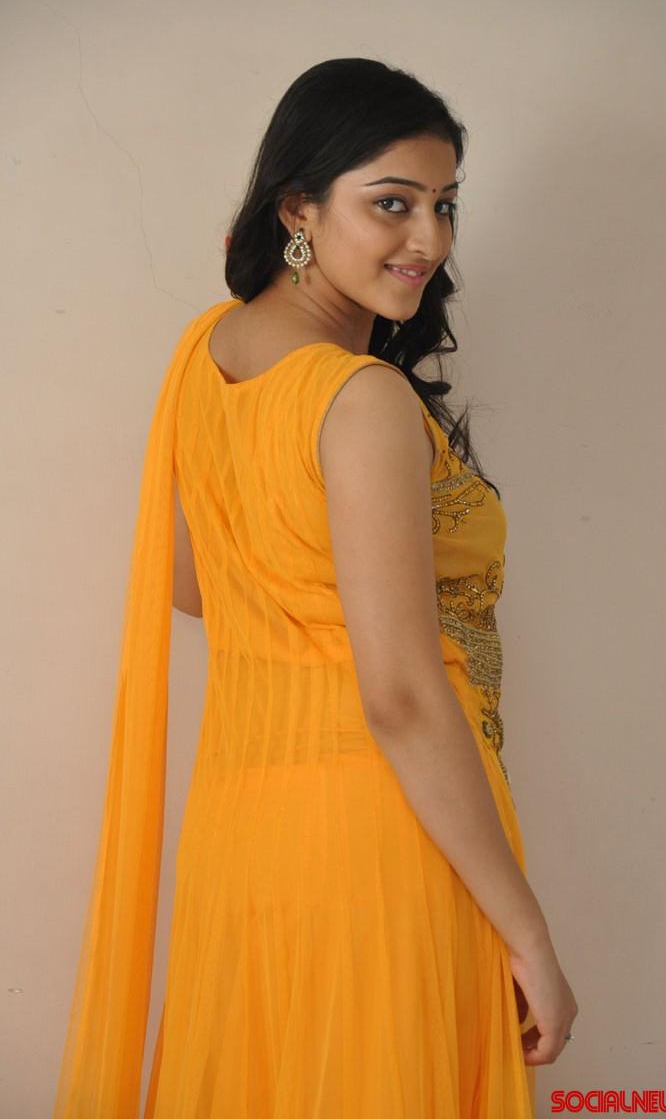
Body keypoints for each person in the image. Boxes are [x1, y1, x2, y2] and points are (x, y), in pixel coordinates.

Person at [54, 57, 577, 1118]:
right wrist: (529, 932)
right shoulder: (359, 397)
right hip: (383, 841)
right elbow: (400, 695)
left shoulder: (206, 354)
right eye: (391, 203)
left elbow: (196, 581)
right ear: (299, 208)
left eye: (445, 205)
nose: (428, 238)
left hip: (246, 843)